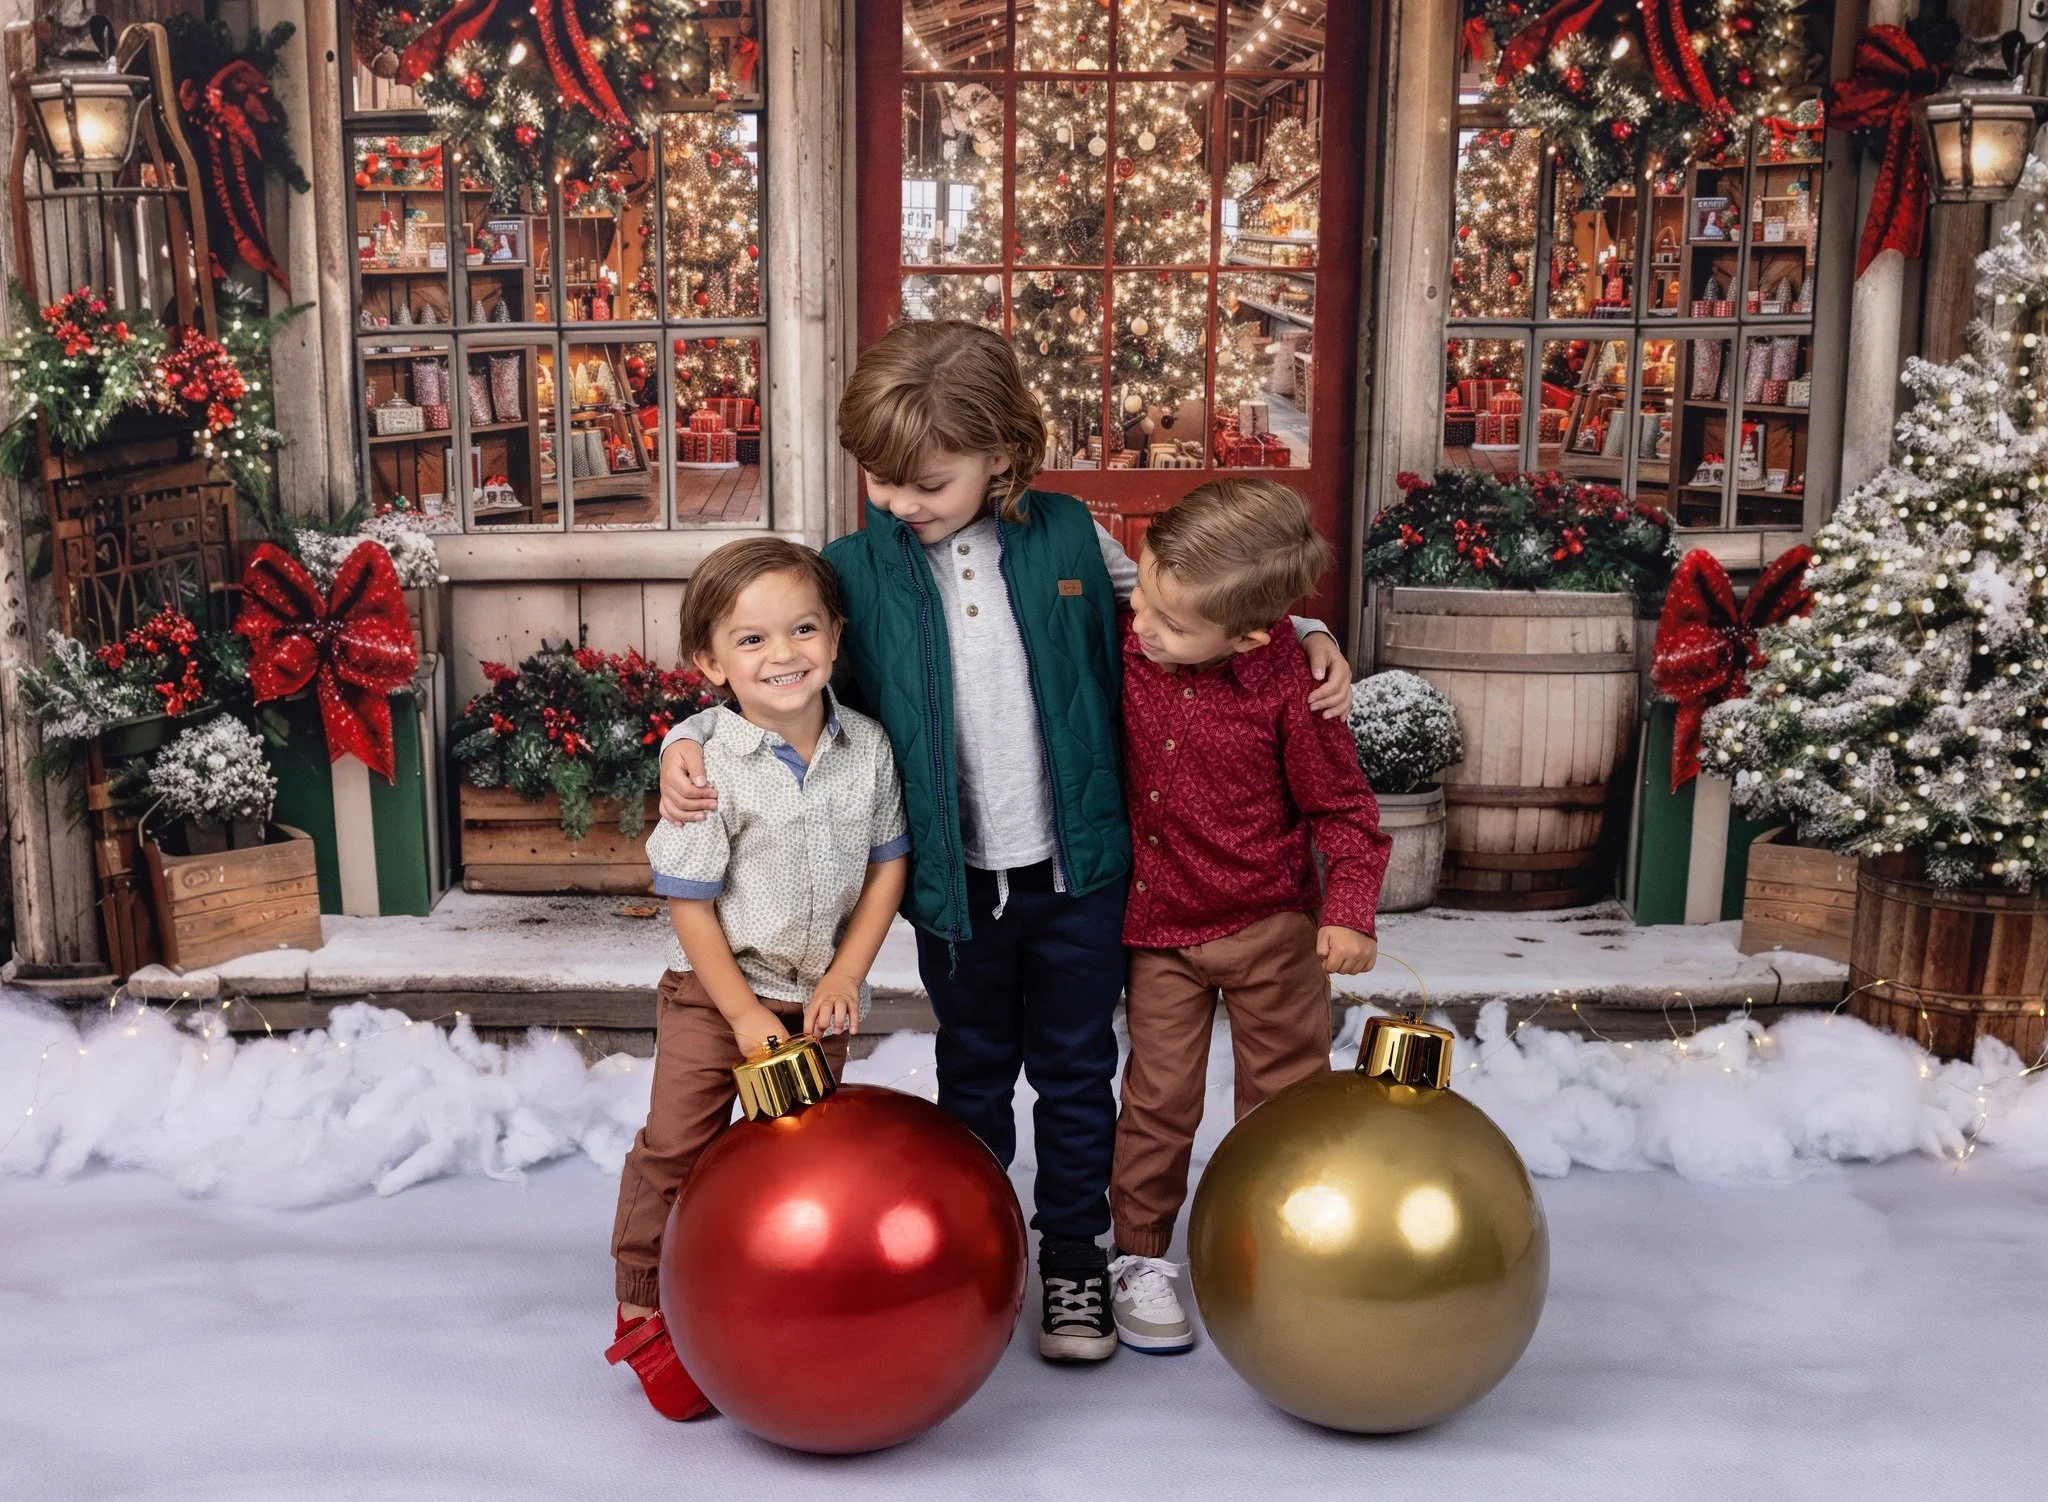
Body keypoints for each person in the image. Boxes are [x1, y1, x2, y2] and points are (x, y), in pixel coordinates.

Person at [658, 319, 1352, 1362]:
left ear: (1000, 454)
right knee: (974, 1075)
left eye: (925, 482)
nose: (899, 502)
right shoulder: (849, 569)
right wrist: (682, 735)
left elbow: (1189, 610)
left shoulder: (1071, 536)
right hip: (950, 886)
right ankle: (971, 1250)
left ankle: (1071, 1255)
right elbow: (771, 667)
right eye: (881, 481)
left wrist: (1301, 631)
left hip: (1076, 873)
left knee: (1075, 1073)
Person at [606, 537, 909, 1419]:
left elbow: (889, 867)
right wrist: (740, 1016)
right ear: (708, 662)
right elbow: (691, 905)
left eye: (803, 629)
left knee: (792, 1166)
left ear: (836, 635)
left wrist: (849, 972)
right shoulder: (706, 770)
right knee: (678, 1151)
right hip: (717, 995)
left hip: (816, 998)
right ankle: (643, 1309)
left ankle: (770, 1304)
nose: (783, 655)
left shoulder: (869, 750)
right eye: (751, 641)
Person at [1106, 478, 1390, 1354]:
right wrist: (1317, 630)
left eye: (1172, 622)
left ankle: (1280, 1248)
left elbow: (1344, 812)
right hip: (1161, 931)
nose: (1145, 626)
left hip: (1272, 933)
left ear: (1251, 634)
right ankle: (1142, 1257)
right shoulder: (1133, 643)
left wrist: (1349, 913)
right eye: (1146, 599)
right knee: (1156, 1100)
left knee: (1283, 1101)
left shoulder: (1290, 690)